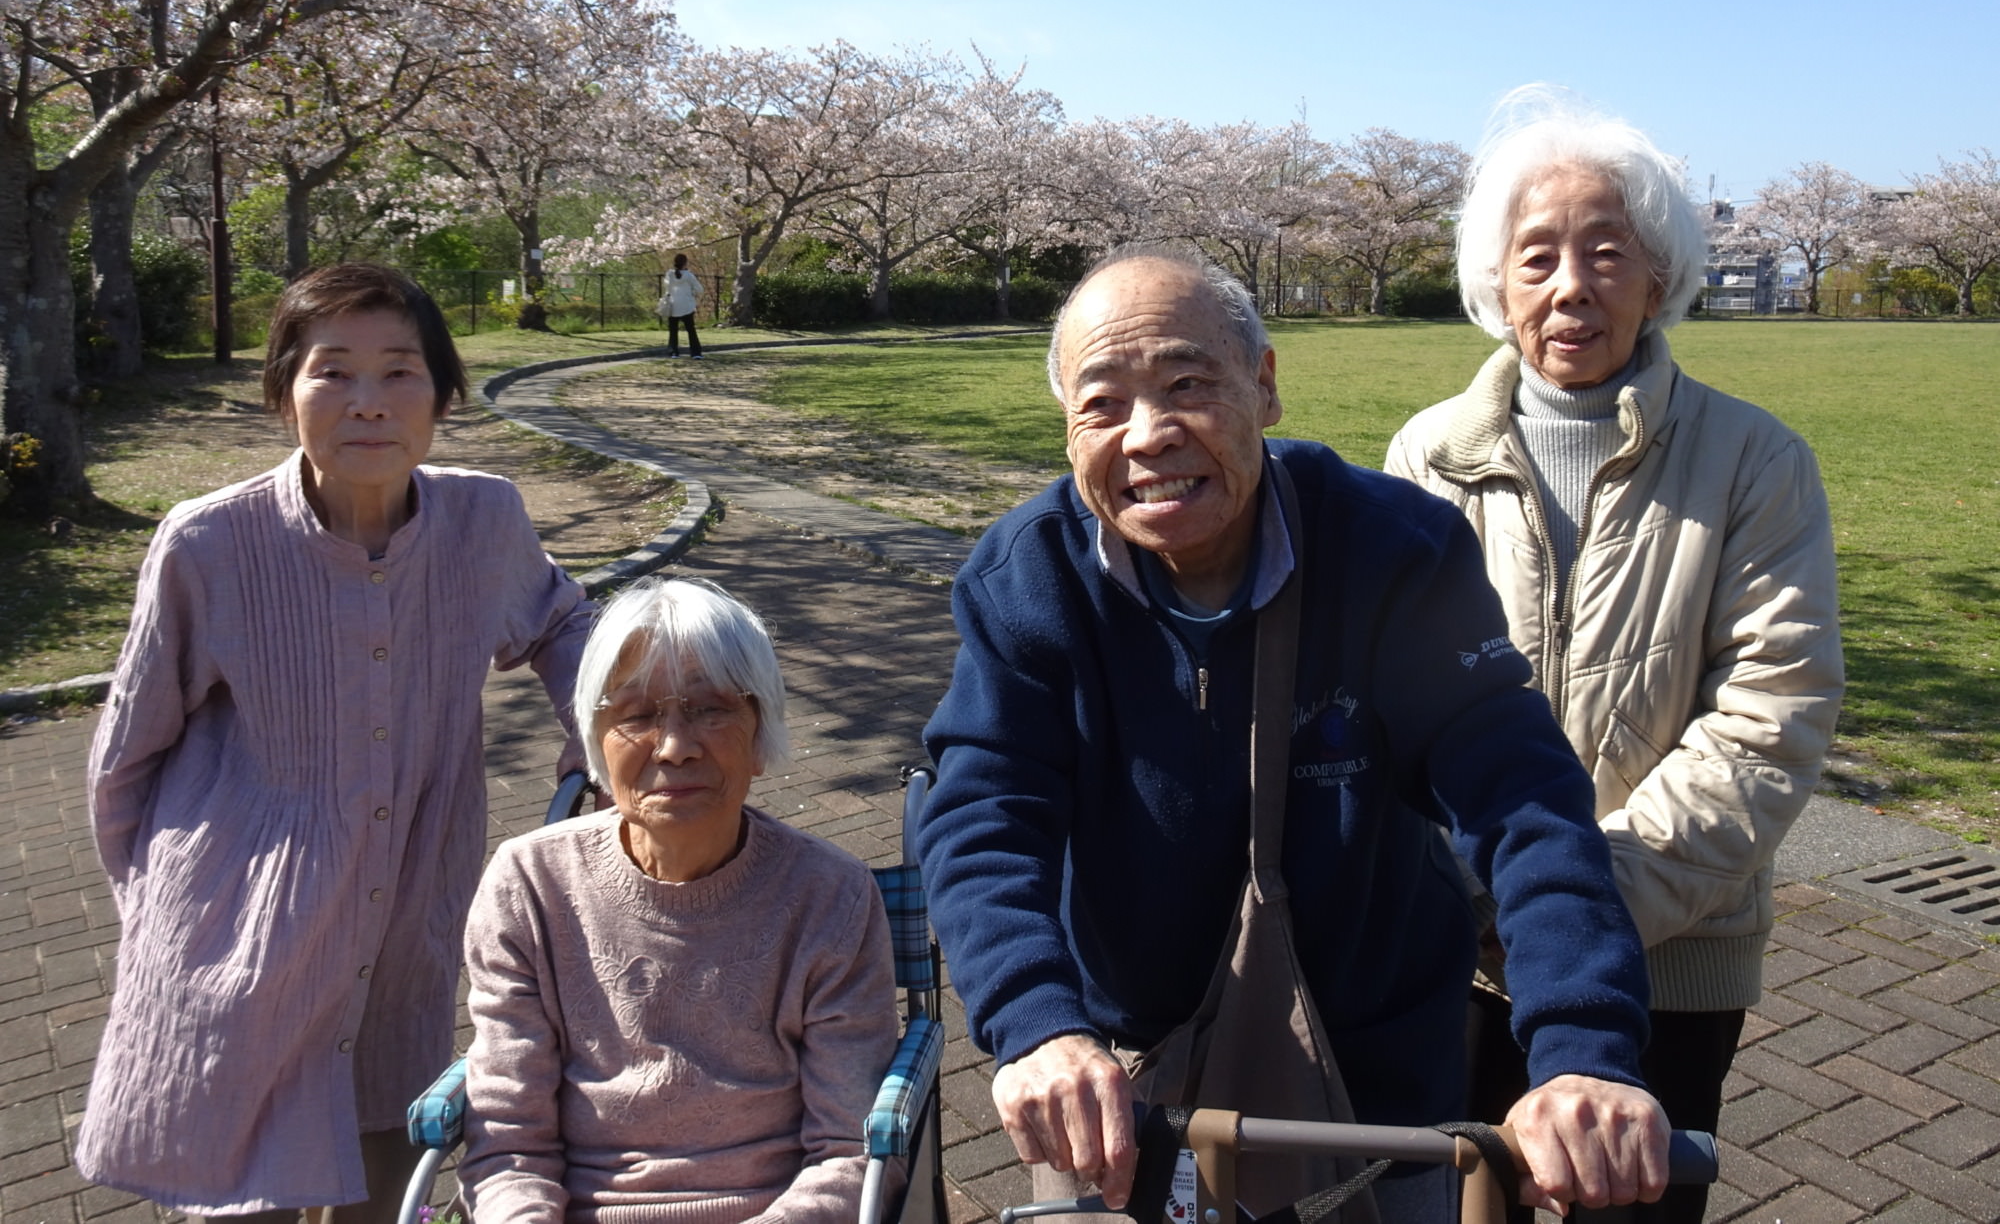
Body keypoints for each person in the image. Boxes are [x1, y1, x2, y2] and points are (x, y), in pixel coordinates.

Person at [919, 247, 1670, 1224]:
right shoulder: (1028, 579)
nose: (1146, 435)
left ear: (1264, 386)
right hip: (1119, 1076)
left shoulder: (1393, 551)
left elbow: (1519, 796)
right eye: (1101, 404)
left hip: (1374, 1084)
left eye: (1187, 383)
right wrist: (1035, 1029)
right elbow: (982, 812)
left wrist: (1581, 1050)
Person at [1384, 90, 1842, 1224]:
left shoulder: (1752, 461)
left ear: (1658, 275)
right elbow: (1381, 699)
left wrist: (1580, 903)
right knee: (1441, 1200)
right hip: (1459, 940)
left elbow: (1769, 709)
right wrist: (1478, 888)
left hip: (1667, 942)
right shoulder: (1426, 454)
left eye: (1605, 253)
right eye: (1534, 256)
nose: (1569, 286)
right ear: (1497, 281)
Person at [77, 263, 594, 1222]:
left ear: (441, 394)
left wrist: (595, 728)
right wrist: (160, 919)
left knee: (392, 1188)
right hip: (240, 949)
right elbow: (126, 761)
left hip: (404, 944)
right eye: (331, 372)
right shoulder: (210, 543)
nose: (368, 404)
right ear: (285, 393)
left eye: (400, 372)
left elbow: (567, 624)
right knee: (245, 1202)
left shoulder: (485, 520)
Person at [459, 577, 899, 1221]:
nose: (674, 745)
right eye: (636, 715)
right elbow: (507, 1146)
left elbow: (848, 1152)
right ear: (595, 740)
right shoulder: (528, 885)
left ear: (759, 734)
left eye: (712, 708)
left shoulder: (830, 896)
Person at [660, 252, 705, 359]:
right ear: (685, 263)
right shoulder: (689, 275)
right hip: (687, 306)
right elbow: (700, 289)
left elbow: (666, 286)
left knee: (673, 330)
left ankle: (673, 351)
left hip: (673, 305)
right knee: (691, 330)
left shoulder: (670, 274)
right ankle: (696, 353)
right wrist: (692, 293)